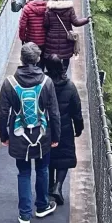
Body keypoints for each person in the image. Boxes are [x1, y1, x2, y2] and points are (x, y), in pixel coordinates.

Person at [0, 42, 61, 223]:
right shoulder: (47, 82)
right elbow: (54, 112)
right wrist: (56, 136)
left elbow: (2, 112)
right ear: (38, 59)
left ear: (21, 59)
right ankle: (41, 206)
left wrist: (4, 136)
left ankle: (25, 214)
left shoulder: (10, 83)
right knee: (42, 169)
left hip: (19, 137)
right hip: (42, 135)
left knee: (23, 173)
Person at [46, 54, 83, 205]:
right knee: (64, 157)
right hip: (65, 127)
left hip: (47, 127)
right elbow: (76, 109)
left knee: (49, 158)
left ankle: (49, 186)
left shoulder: (44, 84)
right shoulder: (70, 86)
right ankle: (58, 186)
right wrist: (79, 127)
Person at [44, 0, 90, 70]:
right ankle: (63, 75)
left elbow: (46, 24)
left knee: (51, 59)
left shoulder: (49, 10)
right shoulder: (69, 9)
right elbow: (76, 23)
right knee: (65, 59)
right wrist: (86, 20)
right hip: (66, 40)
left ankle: (52, 76)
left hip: (51, 40)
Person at [19, 0, 47, 68]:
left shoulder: (27, 8)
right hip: (44, 41)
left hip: (31, 40)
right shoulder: (48, 8)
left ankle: (30, 78)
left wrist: (22, 38)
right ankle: (40, 77)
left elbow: (22, 25)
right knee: (41, 62)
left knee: (30, 62)